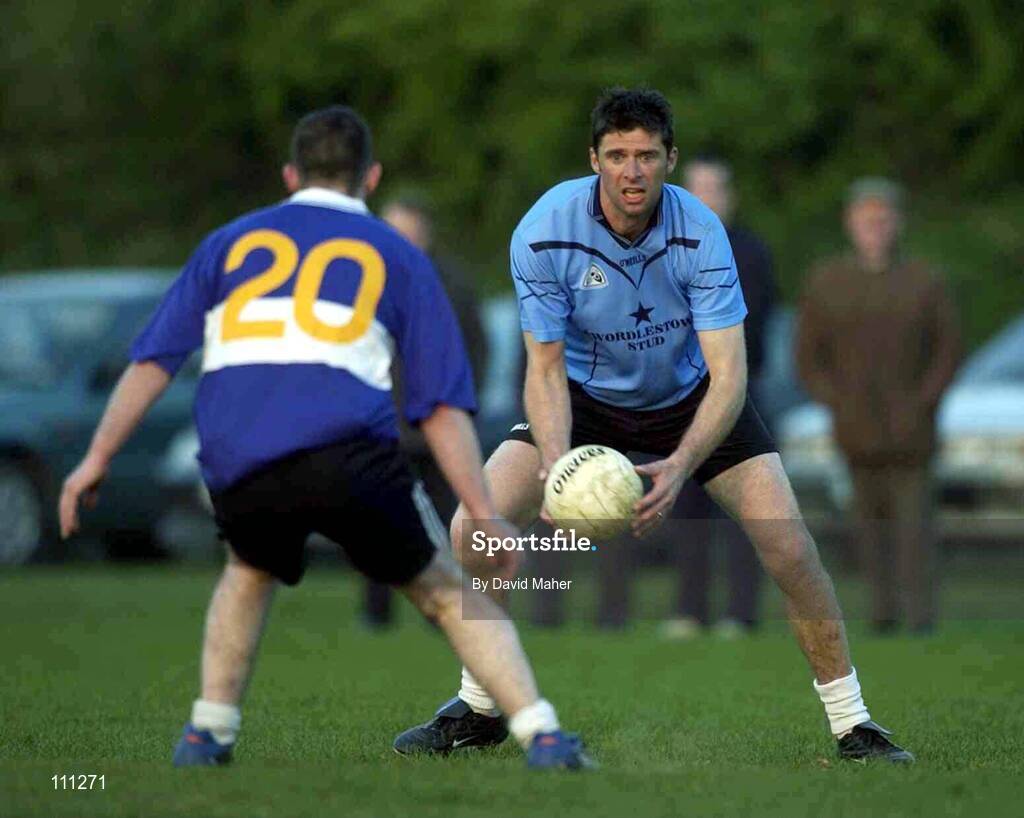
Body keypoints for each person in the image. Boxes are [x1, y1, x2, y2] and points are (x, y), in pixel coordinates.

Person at [57, 105, 592, 770]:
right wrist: (484, 514)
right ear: (371, 176)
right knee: (449, 593)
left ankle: (208, 731)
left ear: (289, 174)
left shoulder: (227, 243)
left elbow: (153, 362)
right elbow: (440, 409)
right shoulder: (398, 253)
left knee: (246, 571)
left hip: (239, 454)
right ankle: (542, 734)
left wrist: (96, 459)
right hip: (350, 451)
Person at [394, 88, 913, 764]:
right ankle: (481, 707)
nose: (631, 171)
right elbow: (544, 369)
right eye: (616, 155)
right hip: (583, 399)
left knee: (790, 548)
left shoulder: (701, 233)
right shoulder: (544, 231)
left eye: (646, 155)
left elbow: (730, 375)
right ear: (594, 159)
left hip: (692, 398)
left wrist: (682, 461)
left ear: (670, 158)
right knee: (473, 526)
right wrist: (556, 466)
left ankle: (854, 725)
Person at [796, 177, 960, 634]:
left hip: (913, 433)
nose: (875, 228)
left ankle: (921, 616)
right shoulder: (827, 282)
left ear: (897, 223)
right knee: (867, 529)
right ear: (851, 224)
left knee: (914, 530)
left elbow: (948, 350)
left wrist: (924, 401)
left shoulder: (925, 281)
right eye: (867, 219)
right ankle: (881, 613)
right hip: (854, 431)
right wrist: (835, 402)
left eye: (883, 219)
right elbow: (808, 356)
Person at [658, 157, 778, 639]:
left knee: (744, 504)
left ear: (730, 195)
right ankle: (688, 610)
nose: (706, 197)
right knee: (684, 501)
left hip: (737, 392)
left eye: (715, 188)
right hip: (678, 397)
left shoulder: (751, 252)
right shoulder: (661, 248)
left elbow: (760, 327)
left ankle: (741, 614)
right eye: (697, 188)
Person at [359, 195, 489, 628]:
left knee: (445, 523)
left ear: (424, 232)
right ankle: (376, 613)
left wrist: (464, 406)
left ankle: (443, 611)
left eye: (405, 228)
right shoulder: (363, 279)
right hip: (381, 426)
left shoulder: (453, 284)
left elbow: (478, 347)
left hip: (439, 427)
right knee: (380, 521)